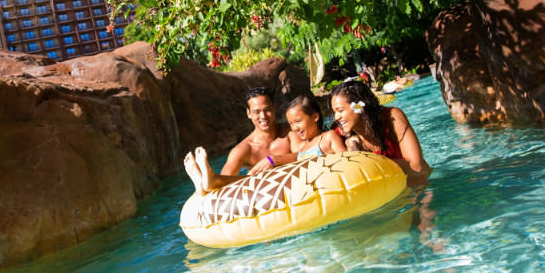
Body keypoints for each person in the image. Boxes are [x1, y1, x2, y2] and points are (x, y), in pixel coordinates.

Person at [184, 93, 345, 195]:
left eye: (267, 109)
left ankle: (207, 183)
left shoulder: (290, 131)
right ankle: (203, 185)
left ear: (275, 108)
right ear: (248, 114)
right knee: (243, 180)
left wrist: (273, 160)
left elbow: (302, 156)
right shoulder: (243, 149)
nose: (263, 116)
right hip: (266, 192)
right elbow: (229, 178)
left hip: (297, 185)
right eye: (256, 111)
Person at [329, 80, 430, 185]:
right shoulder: (338, 133)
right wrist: (352, 152)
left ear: (358, 107)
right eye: (334, 112)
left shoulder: (392, 117)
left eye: (340, 110)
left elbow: (417, 167)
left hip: (418, 182)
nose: (336, 117)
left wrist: (366, 160)